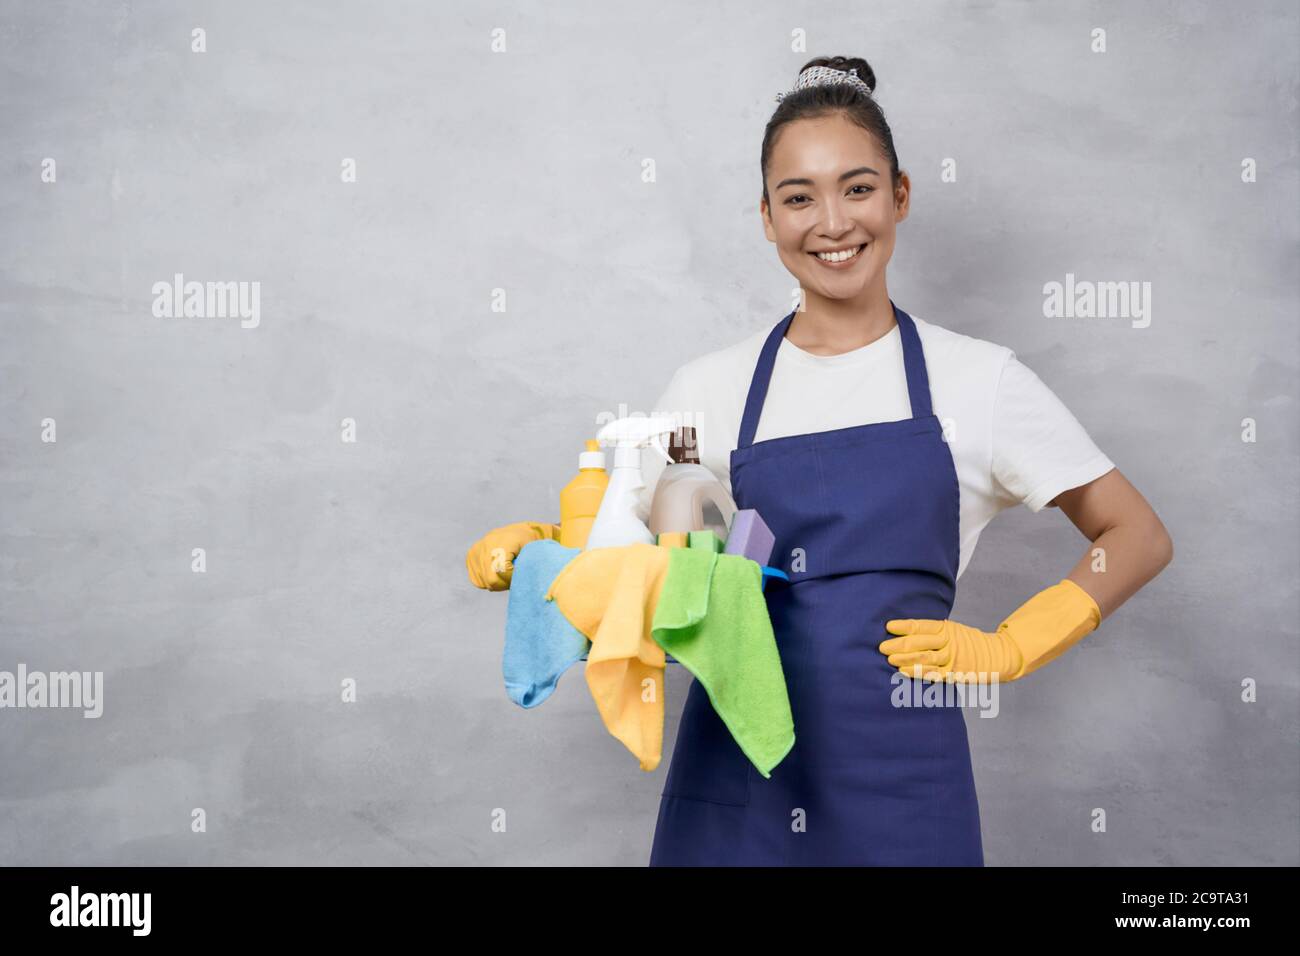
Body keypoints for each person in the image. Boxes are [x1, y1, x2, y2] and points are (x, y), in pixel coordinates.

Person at [466, 55, 1173, 866]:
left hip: (906, 790)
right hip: (736, 790)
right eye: (798, 198)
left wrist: (1013, 644)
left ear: (901, 196)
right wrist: (545, 554)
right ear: (767, 218)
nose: (832, 222)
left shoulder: (980, 382)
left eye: (859, 187)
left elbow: (1137, 534)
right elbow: (639, 557)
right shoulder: (708, 389)